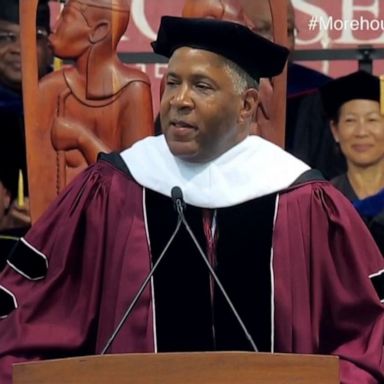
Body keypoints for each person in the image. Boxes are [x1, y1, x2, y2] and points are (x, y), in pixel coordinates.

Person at [0, 16, 383, 384]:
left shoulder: (303, 199)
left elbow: (367, 329)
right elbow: (30, 308)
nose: (179, 101)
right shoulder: (114, 186)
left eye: (201, 86)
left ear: (247, 106)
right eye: (172, 84)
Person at [31, 0, 154, 218]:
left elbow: (136, 185)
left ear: (99, 31)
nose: (56, 26)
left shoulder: (133, 89)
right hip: (59, 229)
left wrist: (82, 138)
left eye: (66, 19)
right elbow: (42, 183)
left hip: (111, 227)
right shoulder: (49, 89)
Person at [0, 0, 52, 247]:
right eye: (6, 37)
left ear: (51, 45)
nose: (18, 48)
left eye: (33, 36)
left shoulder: (69, 109)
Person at [320, 70, 384, 256]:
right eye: (350, 121)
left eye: (372, 120)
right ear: (335, 130)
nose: (361, 132)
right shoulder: (323, 201)